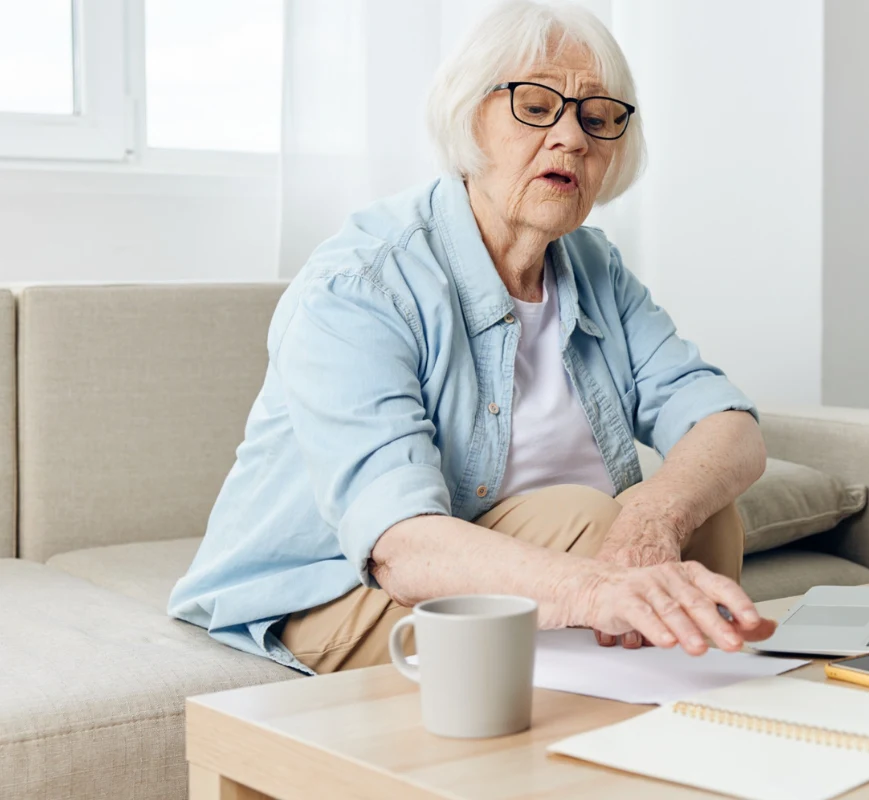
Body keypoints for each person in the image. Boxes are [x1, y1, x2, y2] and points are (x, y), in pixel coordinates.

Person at [168, 0, 776, 675]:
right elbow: (399, 547)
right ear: (469, 117)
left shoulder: (594, 267)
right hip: (335, 590)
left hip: (529, 562)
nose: (573, 138)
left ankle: (677, 726)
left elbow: (729, 425)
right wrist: (599, 586)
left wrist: (655, 516)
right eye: (536, 106)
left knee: (700, 514)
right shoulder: (363, 283)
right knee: (585, 520)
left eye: (598, 118)